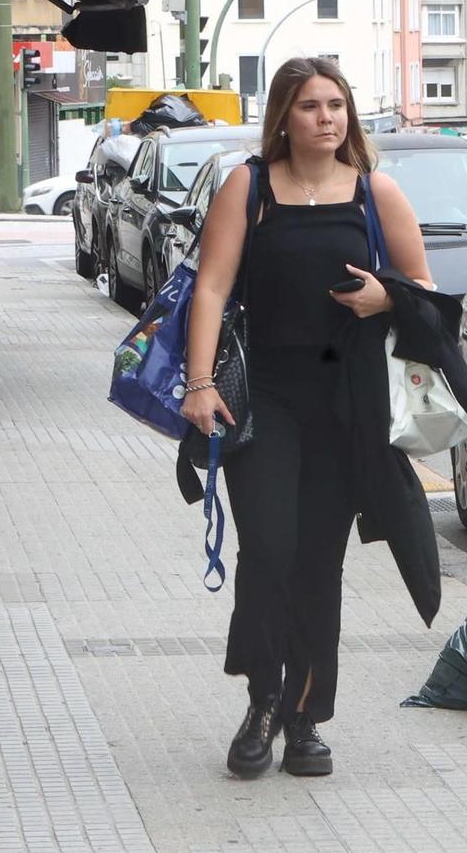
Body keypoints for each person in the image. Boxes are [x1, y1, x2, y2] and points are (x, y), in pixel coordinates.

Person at [180, 56, 434, 779]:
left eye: (336, 105)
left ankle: (305, 717)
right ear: (284, 119)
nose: (327, 118)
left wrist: (386, 299)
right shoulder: (249, 186)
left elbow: (421, 288)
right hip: (263, 398)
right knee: (268, 548)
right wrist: (200, 383)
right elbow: (211, 289)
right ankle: (263, 699)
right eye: (311, 107)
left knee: (320, 563)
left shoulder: (375, 193)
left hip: (345, 404)